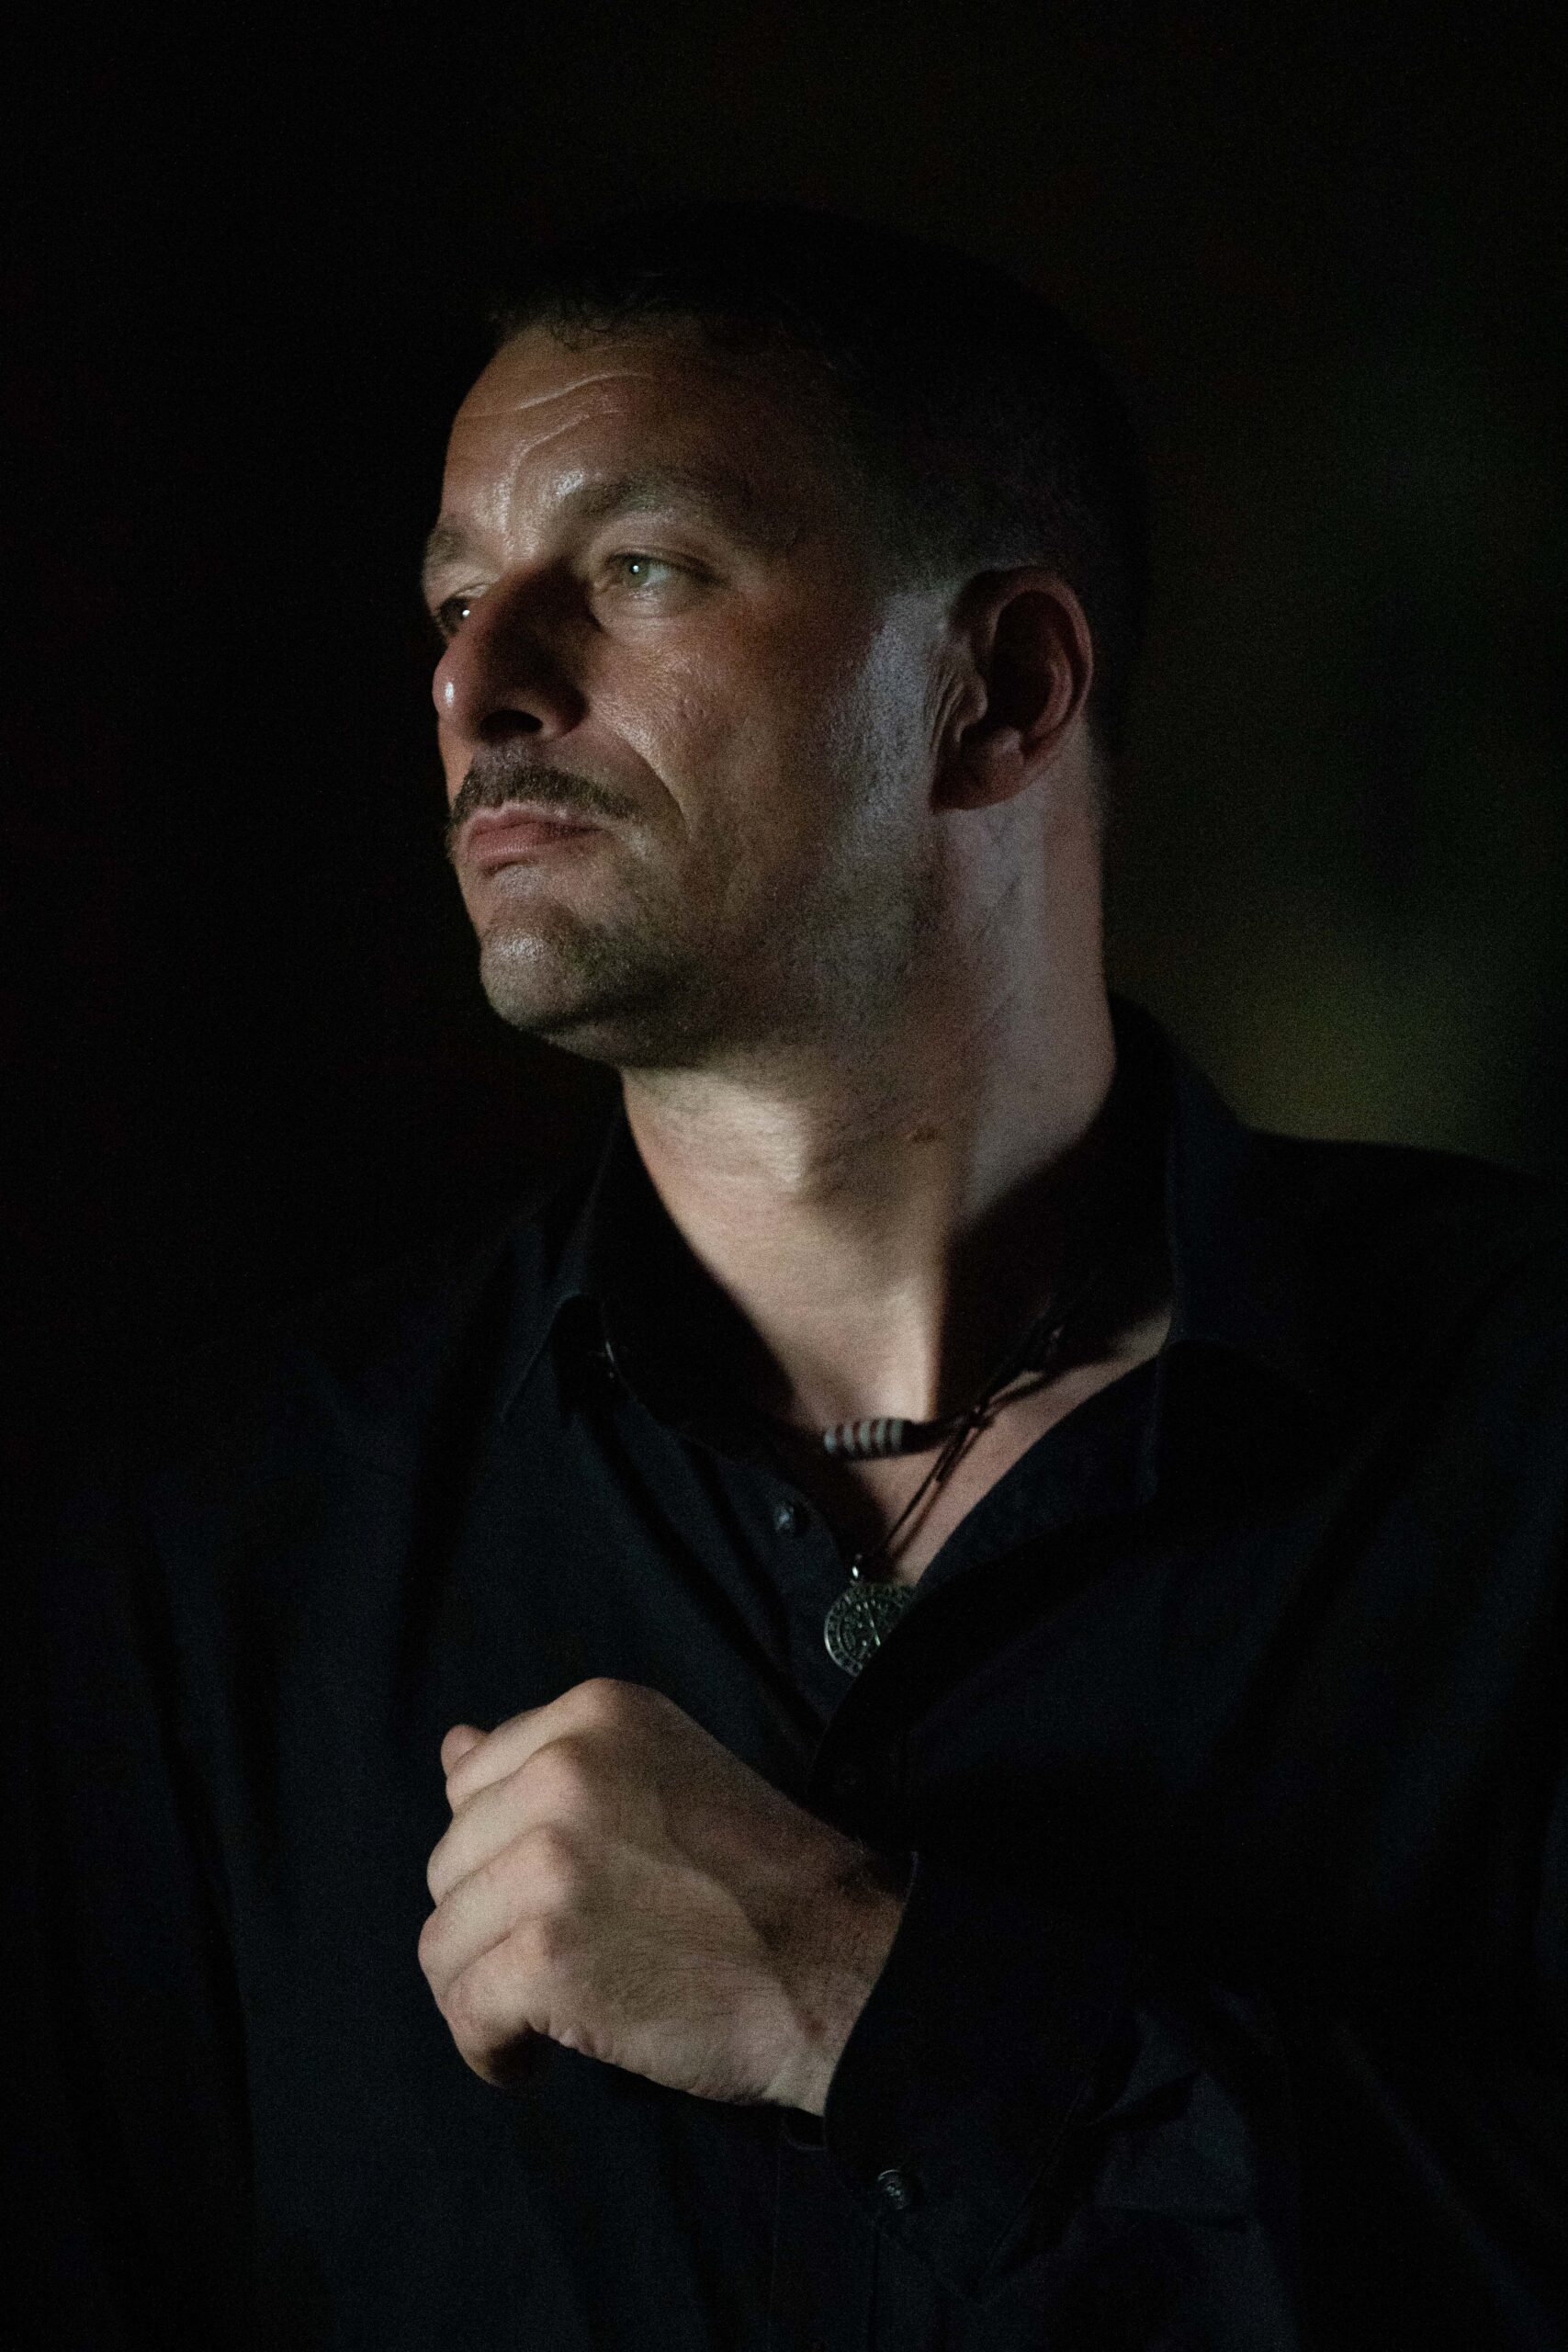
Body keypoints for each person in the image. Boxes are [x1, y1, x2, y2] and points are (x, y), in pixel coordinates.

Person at [13, 200, 1566, 2350]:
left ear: (999, 690)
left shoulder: (1521, 1432)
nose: (473, 683)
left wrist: (869, 1995)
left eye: (638, 568)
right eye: (454, 599)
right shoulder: (211, 1554)